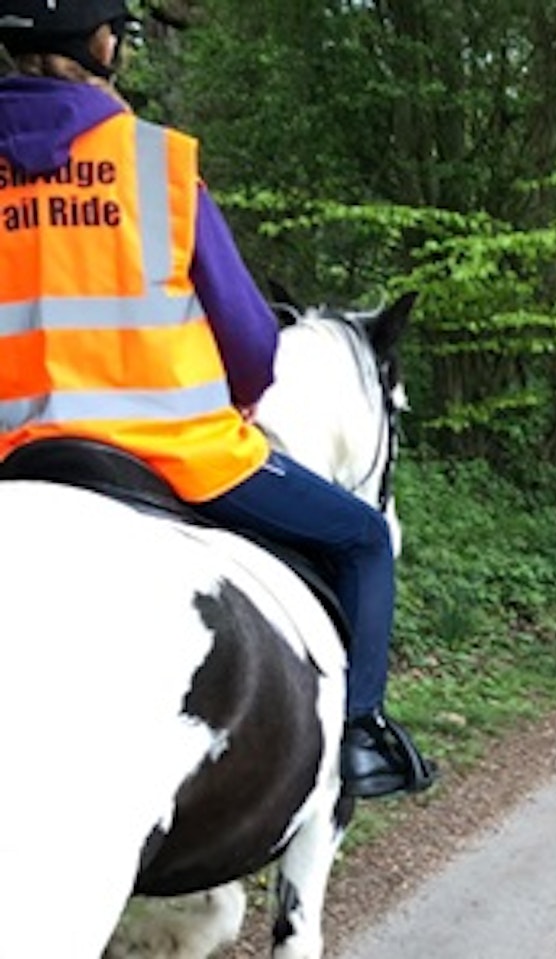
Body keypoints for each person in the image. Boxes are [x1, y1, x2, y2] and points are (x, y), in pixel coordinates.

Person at [0, 0, 434, 799]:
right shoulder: (154, 163)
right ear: (102, 44)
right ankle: (362, 737)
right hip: (177, 452)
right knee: (366, 538)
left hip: (16, 460)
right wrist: (237, 398)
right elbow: (249, 337)